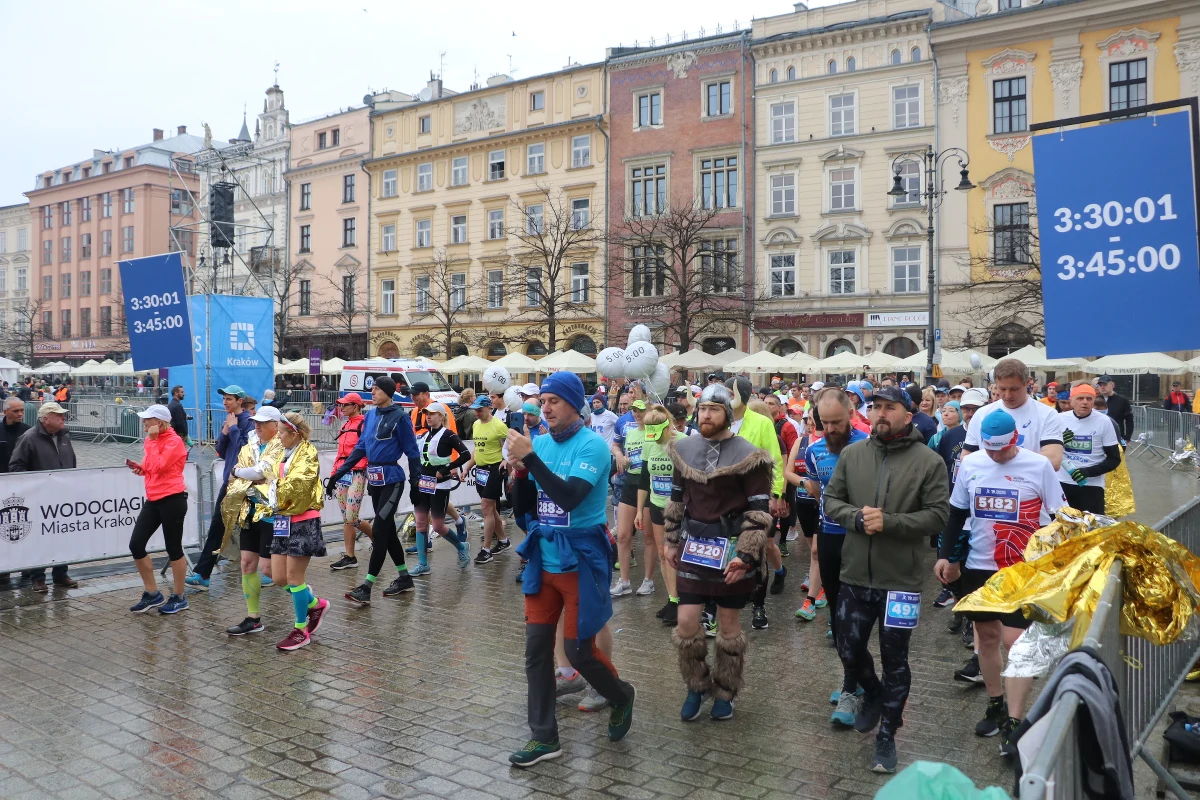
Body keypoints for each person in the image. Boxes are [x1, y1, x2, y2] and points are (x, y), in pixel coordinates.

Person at [505, 371, 636, 767]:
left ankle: (620, 695)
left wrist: (530, 458)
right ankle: (544, 738)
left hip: (581, 557)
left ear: (574, 404)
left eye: (554, 401)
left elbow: (567, 498)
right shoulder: (540, 442)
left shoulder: (593, 447)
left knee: (580, 653)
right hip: (545, 556)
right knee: (536, 651)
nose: (545, 408)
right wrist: (520, 473)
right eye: (542, 401)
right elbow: (527, 504)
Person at [822, 385, 950, 773]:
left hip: (901, 582)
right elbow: (832, 501)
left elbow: (939, 515)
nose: (880, 413)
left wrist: (890, 523)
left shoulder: (929, 462)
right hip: (855, 575)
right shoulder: (852, 454)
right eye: (875, 406)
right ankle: (872, 692)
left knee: (896, 660)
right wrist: (856, 518)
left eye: (889, 407)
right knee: (848, 648)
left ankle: (887, 737)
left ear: (907, 415)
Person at [937, 409, 1065, 757]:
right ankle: (995, 703)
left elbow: (1060, 517)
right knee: (988, 637)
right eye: (990, 451)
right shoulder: (972, 463)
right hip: (979, 566)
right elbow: (957, 513)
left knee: (1016, 642)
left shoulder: (1038, 466)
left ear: (1015, 441)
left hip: (1022, 568)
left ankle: (1016, 719)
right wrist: (946, 555)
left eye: (1002, 451)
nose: (996, 457)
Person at [664, 383, 773, 721]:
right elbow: (677, 499)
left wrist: (747, 556)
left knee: (728, 626)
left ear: (728, 413)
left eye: (714, 409)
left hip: (731, 551)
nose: (706, 415)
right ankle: (696, 686)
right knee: (686, 622)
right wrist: (670, 539)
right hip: (693, 545)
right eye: (702, 409)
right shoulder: (683, 449)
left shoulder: (749, 455)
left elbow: (758, 513)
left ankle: (726, 690)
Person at [327, 376, 421, 605]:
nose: (373, 392)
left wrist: (416, 482)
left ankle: (367, 586)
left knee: (379, 530)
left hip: (393, 480)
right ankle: (404, 578)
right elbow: (359, 449)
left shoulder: (400, 417)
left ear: (388, 392)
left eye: (377, 389)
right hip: (375, 480)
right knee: (387, 532)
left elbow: (412, 451)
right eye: (372, 389)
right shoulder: (370, 416)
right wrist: (337, 475)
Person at [805, 388, 868, 649]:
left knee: (859, 595)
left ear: (851, 414)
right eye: (824, 422)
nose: (829, 428)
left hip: (861, 535)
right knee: (832, 590)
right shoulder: (814, 450)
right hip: (830, 532)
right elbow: (817, 490)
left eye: (836, 422)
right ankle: (836, 624)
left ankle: (857, 635)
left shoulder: (868, 444)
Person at [725, 377, 788, 630]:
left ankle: (759, 606)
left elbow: (775, 460)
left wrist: (775, 495)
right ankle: (724, 603)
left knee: (758, 553)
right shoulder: (721, 419)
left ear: (740, 394)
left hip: (755, 499)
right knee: (726, 551)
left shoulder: (761, 423)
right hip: (724, 500)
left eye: (729, 392)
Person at [220, 406, 287, 635]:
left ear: (275, 425)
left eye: (262, 422)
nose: (256, 426)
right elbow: (234, 471)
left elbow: (260, 473)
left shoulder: (281, 445)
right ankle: (253, 618)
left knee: (269, 570)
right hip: (249, 509)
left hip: (271, 514)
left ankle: (308, 600)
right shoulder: (251, 445)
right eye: (255, 422)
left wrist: (242, 473)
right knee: (247, 563)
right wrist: (242, 473)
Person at [186, 386, 257, 590]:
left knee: (253, 526)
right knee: (218, 527)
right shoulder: (231, 421)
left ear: (239, 402)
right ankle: (202, 574)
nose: (225, 402)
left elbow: (247, 451)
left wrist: (233, 428)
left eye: (229, 399)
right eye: (224, 399)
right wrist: (226, 432)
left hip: (245, 484)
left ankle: (272, 566)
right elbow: (221, 452)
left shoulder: (248, 423)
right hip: (230, 482)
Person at [9, 401, 80, 592]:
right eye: (58, 415)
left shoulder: (65, 436)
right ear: (46, 419)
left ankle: (61, 574)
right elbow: (16, 466)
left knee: (62, 534)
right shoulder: (29, 437)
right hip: (39, 499)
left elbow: (72, 462)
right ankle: (38, 577)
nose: (63, 417)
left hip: (63, 498)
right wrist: (34, 485)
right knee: (39, 538)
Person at [127, 405, 190, 615]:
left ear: (160, 423)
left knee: (173, 548)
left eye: (148, 420)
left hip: (173, 498)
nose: (144, 423)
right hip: (154, 497)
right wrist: (141, 468)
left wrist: (153, 447)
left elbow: (160, 466)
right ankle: (152, 593)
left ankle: (179, 596)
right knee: (136, 544)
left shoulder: (174, 442)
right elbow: (151, 466)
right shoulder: (150, 441)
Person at [931, 388, 987, 610]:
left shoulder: (991, 436)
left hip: (980, 513)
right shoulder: (950, 436)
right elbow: (942, 466)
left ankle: (969, 617)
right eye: (966, 408)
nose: (970, 413)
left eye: (975, 409)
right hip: (953, 509)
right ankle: (959, 603)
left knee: (974, 567)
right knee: (949, 567)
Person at [636, 404, 687, 626]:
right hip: (657, 505)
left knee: (680, 555)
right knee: (663, 554)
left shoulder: (683, 442)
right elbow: (644, 478)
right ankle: (673, 599)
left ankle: (687, 601)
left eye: (657, 434)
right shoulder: (649, 443)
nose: (654, 439)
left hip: (680, 508)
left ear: (667, 427)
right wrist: (639, 510)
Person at [410, 402, 472, 575]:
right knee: (421, 523)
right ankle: (423, 564)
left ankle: (461, 546)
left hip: (440, 485)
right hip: (423, 483)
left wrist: (445, 469)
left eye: (432, 414)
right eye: (426, 414)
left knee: (437, 526)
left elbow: (466, 454)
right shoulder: (423, 435)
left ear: (441, 416)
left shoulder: (448, 435)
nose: (428, 417)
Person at [785, 411, 825, 622]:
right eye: (808, 419)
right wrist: (805, 483)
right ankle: (823, 583)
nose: (810, 422)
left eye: (813, 419)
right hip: (803, 503)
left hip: (824, 506)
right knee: (815, 551)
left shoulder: (832, 443)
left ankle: (810, 600)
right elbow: (788, 472)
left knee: (817, 552)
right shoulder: (800, 442)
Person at [1057, 384, 1121, 513]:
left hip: (1091, 485)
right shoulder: (1059, 419)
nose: (1085, 402)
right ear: (1071, 401)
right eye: (1080, 398)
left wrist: (1088, 472)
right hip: (1062, 482)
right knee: (1063, 528)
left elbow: (1114, 459)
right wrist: (1059, 442)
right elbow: (1044, 451)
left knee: (1091, 529)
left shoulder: (1104, 421)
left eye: (1089, 399)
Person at [463, 394, 510, 563]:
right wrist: (467, 467)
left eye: (480, 410)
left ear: (489, 408)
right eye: (475, 410)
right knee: (491, 509)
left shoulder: (498, 425)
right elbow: (476, 450)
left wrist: (506, 463)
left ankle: (486, 549)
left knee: (485, 507)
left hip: (495, 469)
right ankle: (504, 540)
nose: (477, 413)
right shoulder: (476, 424)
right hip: (480, 470)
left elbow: (509, 448)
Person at [328, 393, 372, 571]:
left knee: (351, 517)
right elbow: (339, 453)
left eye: (345, 405)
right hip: (343, 474)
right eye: (341, 405)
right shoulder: (345, 424)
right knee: (346, 519)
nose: (342, 408)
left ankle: (379, 541)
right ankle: (350, 557)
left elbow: (367, 449)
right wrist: (333, 476)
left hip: (357, 473)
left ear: (356, 406)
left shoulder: (364, 424)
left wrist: (363, 468)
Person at [1096, 375, 1133, 441]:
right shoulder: (1096, 400)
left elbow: (1129, 420)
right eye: (1100, 385)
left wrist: (1127, 437)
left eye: (1105, 384)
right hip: (1099, 436)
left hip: (1116, 436)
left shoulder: (1122, 400)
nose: (1102, 387)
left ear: (1112, 385)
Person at [0, 396, 30, 473]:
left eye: (22, 410)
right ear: (5, 412)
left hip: (21, 478)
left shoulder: (28, 431)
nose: (20, 414)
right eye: (16, 411)